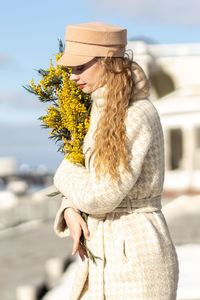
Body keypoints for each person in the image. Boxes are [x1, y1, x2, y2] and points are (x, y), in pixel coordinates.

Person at [53, 22, 179, 300]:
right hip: (106, 250)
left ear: (107, 62)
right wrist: (70, 208)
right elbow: (92, 177)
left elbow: (101, 196)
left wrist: (62, 171)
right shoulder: (97, 110)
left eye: (80, 67)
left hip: (136, 254)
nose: (73, 77)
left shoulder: (136, 114)